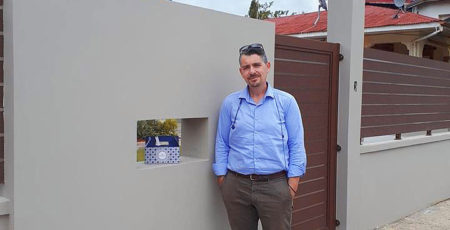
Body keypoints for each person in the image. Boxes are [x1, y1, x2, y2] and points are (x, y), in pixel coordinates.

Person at [213, 43, 307, 230]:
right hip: (236, 186)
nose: (252, 71)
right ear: (241, 72)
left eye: (257, 65)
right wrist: (223, 178)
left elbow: (296, 144)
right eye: (246, 67)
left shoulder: (286, 102)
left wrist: (292, 185)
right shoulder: (230, 104)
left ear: (267, 67)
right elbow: (222, 142)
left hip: (275, 186)